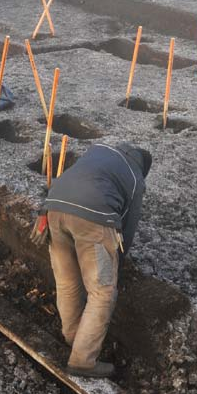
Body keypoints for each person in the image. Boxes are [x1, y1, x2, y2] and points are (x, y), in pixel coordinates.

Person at [31, 142, 152, 378]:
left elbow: (71, 180)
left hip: (53, 210)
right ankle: (83, 361)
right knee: (103, 292)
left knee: (67, 282)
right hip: (95, 220)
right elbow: (127, 227)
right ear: (143, 167)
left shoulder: (98, 151)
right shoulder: (136, 178)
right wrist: (118, 262)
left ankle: (75, 338)